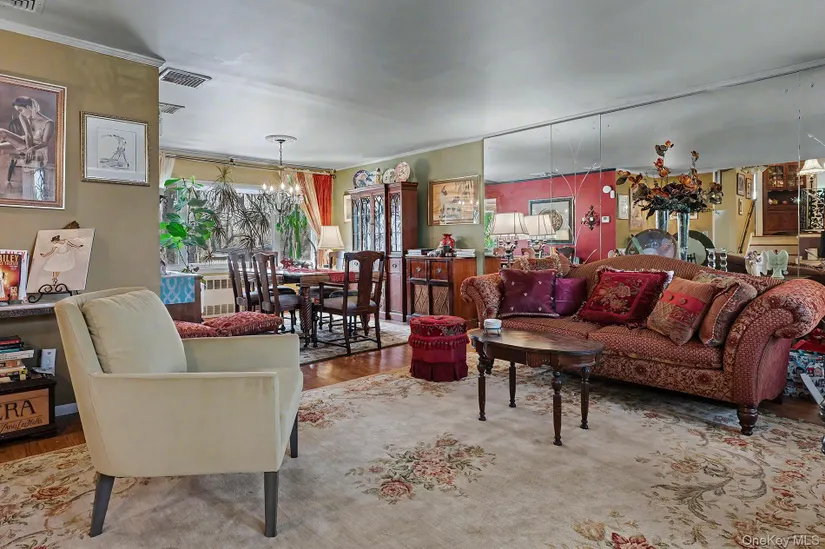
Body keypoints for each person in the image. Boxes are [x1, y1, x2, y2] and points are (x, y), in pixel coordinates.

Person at [0, 97, 55, 199]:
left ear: (29, 107)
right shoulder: (23, 116)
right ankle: (2, 187)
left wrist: (32, 149)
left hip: (38, 149)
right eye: (18, 111)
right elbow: (28, 135)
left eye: (21, 110)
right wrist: (28, 149)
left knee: (2, 132)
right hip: (26, 144)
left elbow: (45, 143)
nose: (20, 113)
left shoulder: (48, 123)